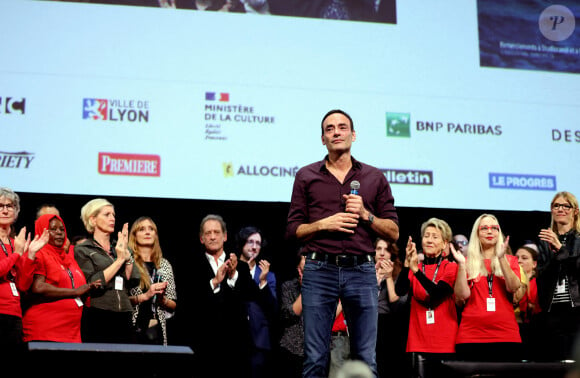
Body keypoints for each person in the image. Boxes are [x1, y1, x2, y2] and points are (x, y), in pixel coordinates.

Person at [286, 109, 399, 377]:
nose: (336, 132)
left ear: (353, 134)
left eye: (342, 127)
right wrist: (323, 224)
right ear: (322, 138)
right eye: (329, 129)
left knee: (365, 357)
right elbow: (292, 230)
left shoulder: (374, 177)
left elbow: (393, 231)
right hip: (319, 270)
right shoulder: (306, 175)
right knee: (314, 357)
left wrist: (365, 215)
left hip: (361, 272)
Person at [190, 214, 266, 378]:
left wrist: (233, 277)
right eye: (208, 233)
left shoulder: (242, 268)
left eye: (216, 232)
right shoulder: (191, 266)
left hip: (237, 348)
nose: (212, 236)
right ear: (201, 238)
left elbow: (255, 298)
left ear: (224, 236)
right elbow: (191, 303)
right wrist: (214, 282)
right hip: (205, 346)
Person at [453, 214, 522, 361]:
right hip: (471, 336)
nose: (489, 232)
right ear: (477, 233)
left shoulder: (510, 260)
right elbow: (461, 295)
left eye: (494, 228)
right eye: (484, 228)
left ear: (499, 233)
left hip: (506, 335)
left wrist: (501, 258)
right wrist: (461, 266)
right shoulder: (466, 262)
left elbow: (514, 287)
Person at [22, 214, 100, 343]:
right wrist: (76, 291)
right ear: (43, 231)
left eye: (62, 229)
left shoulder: (69, 258)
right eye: (53, 229)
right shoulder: (39, 253)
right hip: (45, 331)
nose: (59, 233)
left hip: (71, 332)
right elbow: (38, 287)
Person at [395, 218, 459, 375]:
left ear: (445, 244)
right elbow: (400, 290)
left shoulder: (450, 267)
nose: (429, 240)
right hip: (418, 341)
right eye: (426, 236)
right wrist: (406, 263)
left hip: (445, 341)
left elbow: (436, 294)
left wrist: (416, 270)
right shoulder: (415, 267)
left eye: (435, 237)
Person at [74, 198, 140, 344]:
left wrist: (127, 257)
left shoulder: (120, 247)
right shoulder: (83, 249)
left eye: (114, 215)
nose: (112, 218)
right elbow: (93, 282)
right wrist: (119, 261)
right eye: (107, 214)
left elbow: (133, 279)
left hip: (124, 312)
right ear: (93, 219)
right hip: (98, 313)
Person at [535, 191, 580, 361]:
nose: (560, 209)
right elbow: (542, 275)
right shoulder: (545, 241)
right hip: (552, 309)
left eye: (565, 205)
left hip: (576, 309)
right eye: (556, 205)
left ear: (575, 211)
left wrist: (560, 249)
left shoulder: (579, 240)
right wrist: (554, 251)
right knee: (555, 361)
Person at [0, 187, 44, 352]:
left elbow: (23, 285)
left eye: (9, 206)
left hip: (14, 313)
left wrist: (30, 255)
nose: (5, 210)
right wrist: (18, 253)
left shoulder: (16, 243)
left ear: (16, 211)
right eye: (0, 206)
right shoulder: (17, 247)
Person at [128, 216, 177, 346]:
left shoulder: (165, 264)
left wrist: (163, 300)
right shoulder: (128, 262)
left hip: (158, 329)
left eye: (151, 229)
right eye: (142, 229)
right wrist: (145, 296)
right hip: (132, 327)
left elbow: (173, 304)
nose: (147, 232)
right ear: (134, 235)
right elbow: (120, 299)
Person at [236, 226, 277, 378]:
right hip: (232, 340)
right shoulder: (229, 268)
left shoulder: (267, 275)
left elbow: (273, 308)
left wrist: (263, 283)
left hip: (258, 342)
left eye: (258, 243)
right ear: (241, 243)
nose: (254, 247)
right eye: (250, 242)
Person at [375, 237, 408, 378]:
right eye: (378, 249)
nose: (382, 253)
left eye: (386, 250)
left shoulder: (399, 273)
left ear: (392, 253)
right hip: (369, 321)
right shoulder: (367, 271)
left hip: (389, 324)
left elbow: (396, 301)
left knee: (387, 366)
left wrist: (388, 276)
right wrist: (377, 277)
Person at [278, 252, 306, 378]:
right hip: (291, 348)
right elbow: (290, 314)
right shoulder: (288, 286)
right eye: (305, 257)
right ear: (298, 267)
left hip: (316, 349)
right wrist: (306, 287)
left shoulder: (323, 288)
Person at [514, 244, 540, 358]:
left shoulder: (539, 282)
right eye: (517, 258)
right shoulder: (510, 281)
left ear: (534, 264)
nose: (519, 261)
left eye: (524, 258)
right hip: (514, 327)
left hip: (534, 329)